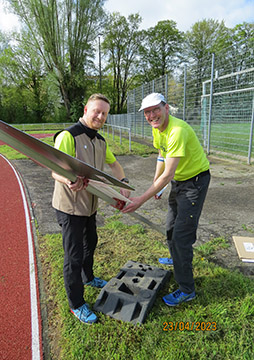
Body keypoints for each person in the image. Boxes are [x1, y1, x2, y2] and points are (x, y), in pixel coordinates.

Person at [122, 93, 210, 306]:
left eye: (155, 109)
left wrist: (141, 199)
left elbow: (168, 174)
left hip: (194, 182)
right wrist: (156, 181)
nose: (152, 115)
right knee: (170, 226)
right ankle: (177, 259)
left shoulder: (177, 131)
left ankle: (187, 289)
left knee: (181, 236)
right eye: (147, 112)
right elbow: (162, 155)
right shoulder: (157, 129)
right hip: (179, 182)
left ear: (166, 108)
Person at [52, 94, 130, 324]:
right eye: (96, 111)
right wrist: (68, 180)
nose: (100, 116)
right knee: (73, 256)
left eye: (104, 113)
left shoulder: (100, 141)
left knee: (91, 242)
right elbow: (54, 170)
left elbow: (114, 164)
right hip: (70, 208)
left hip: (90, 206)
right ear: (86, 109)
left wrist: (122, 182)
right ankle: (76, 304)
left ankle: (88, 277)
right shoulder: (69, 136)